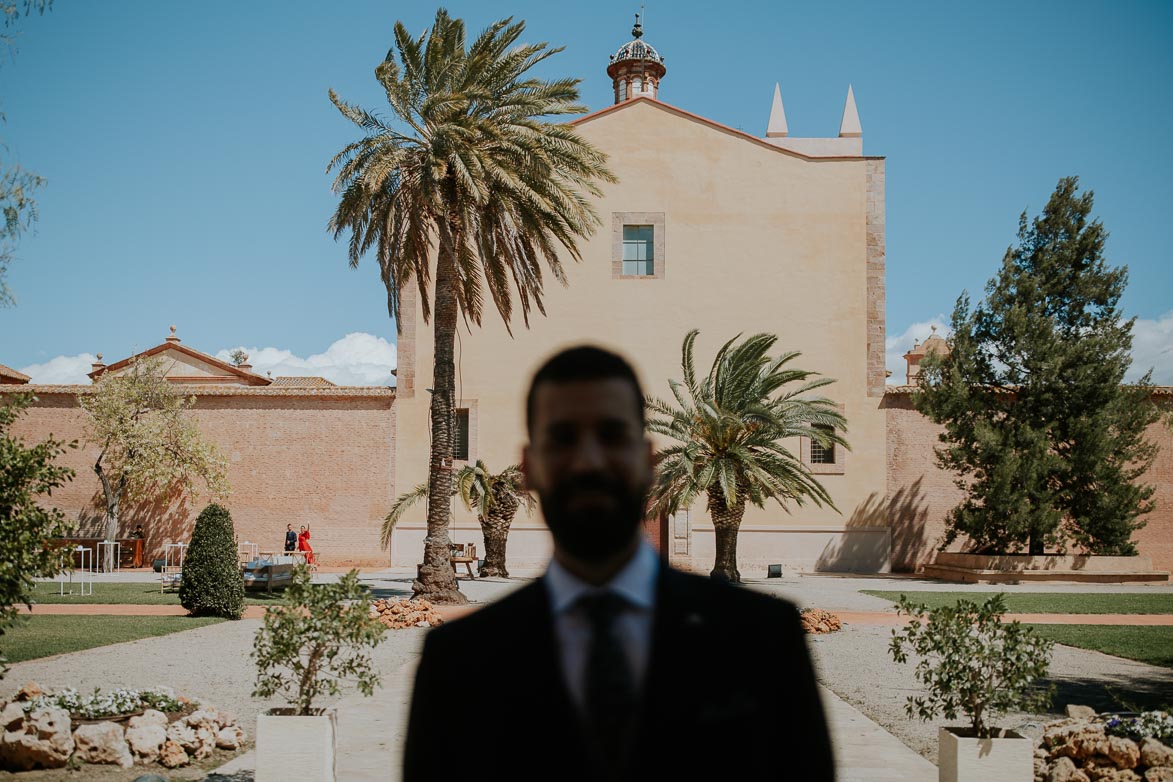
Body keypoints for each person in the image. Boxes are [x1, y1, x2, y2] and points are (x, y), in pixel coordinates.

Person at [404, 346, 834, 781]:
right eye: (564, 437)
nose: (589, 461)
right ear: (529, 468)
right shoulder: (457, 663)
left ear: (648, 463)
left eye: (611, 435)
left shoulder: (763, 642)